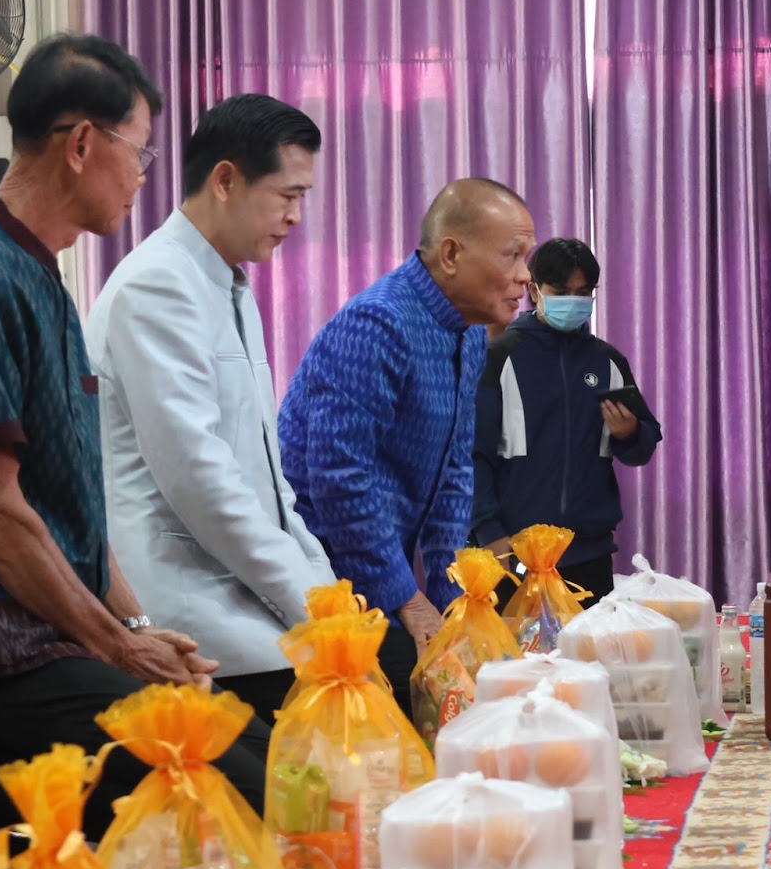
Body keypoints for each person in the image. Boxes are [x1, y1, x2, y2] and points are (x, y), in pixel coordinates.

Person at [0, 34, 268, 865]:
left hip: (54, 644)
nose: (144, 175)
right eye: (140, 151)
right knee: (234, 790)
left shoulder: (39, 276)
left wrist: (139, 626)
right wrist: (119, 645)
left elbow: (70, 508)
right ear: (83, 143)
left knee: (266, 756)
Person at [85, 94, 334, 724]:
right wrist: (311, 607)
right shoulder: (158, 284)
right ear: (225, 180)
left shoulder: (229, 282)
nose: (296, 216)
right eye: (288, 195)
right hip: (194, 616)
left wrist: (325, 591)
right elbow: (201, 482)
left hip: (246, 596)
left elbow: (268, 478)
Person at [278, 178, 535, 714]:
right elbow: (339, 481)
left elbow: (454, 475)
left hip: (377, 575)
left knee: (474, 682)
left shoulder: (469, 332)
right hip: (318, 582)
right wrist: (409, 602)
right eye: (512, 255)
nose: (525, 276)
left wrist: (452, 603)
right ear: (451, 254)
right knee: (423, 705)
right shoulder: (379, 323)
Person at [471, 237, 661, 602]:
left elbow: (643, 446)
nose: (573, 301)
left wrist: (630, 433)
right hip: (513, 552)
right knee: (514, 643)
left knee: (590, 642)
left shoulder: (607, 361)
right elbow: (471, 455)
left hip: (589, 554)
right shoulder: (499, 358)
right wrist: (488, 531)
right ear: (534, 290)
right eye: (561, 292)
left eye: (583, 292)